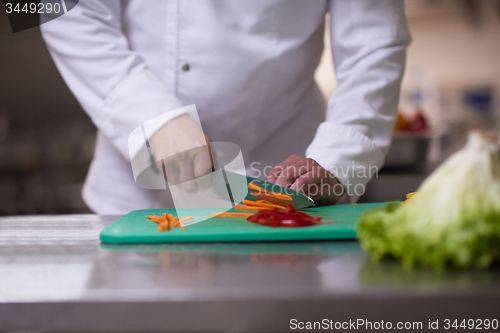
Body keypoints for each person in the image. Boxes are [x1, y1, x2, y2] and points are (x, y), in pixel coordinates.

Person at [41, 0, 411, 214]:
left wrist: (339, 162)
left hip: (289, 191)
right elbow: (57, 10)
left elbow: (374, 40)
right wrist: (151, 118)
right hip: (134, 197)